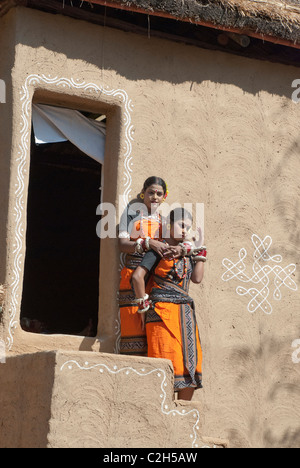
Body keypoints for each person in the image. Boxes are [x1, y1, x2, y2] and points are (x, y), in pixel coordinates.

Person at [132, 208, 206, 401]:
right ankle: (161, 414)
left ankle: (182, 414)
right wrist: (144, 306)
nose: (184, 230)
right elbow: (137, 277)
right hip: (161, 313)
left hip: (185, 314)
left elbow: (197, 278)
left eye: (187, 227)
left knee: (191, 364)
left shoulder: (187, 252)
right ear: (168, 225)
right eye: (181, 225)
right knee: (164, 359)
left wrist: (200, 250)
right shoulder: (159, 250)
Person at [118, 176, 176, 356]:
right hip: (132, 277)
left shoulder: (165, 221)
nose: (155, 197)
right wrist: (148, 243)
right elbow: (122, 244)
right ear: (143, 193)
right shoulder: (130, 214)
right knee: (133, 329)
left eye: (159, 194)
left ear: (164, 196)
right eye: (151, 192)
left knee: (154, 333)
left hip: (155, 280)